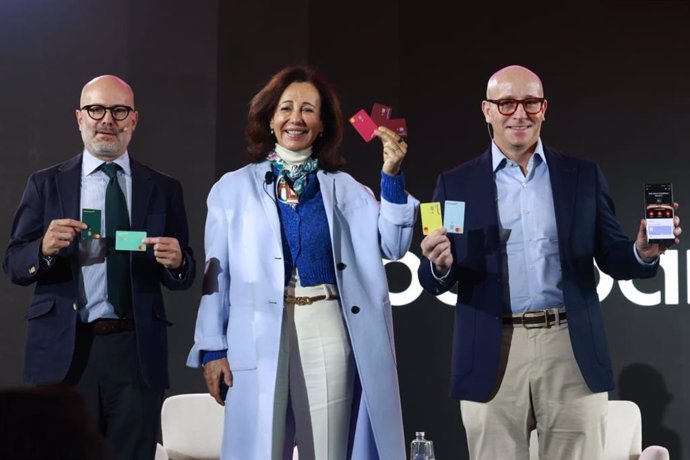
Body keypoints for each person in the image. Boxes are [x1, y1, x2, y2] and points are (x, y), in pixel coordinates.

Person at [418, 65, 681, 459]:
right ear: (487, 111)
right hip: (492, 348)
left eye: (530, 102)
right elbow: (433, 274)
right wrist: (439, 265)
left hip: (568, 344)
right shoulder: (454, 183)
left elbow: (612, 254)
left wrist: (641, 253)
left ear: (545, 108)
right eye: (506, 103)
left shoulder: (582, 176)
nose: (519, 113)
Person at [187, 64, 418, 460]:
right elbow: (215, 276)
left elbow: (394, 246)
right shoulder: (232, 188)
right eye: (286, 108)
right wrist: (212, 348)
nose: (296, 118)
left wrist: (392, 176)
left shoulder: (347, 189)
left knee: (327, 449)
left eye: (308, 109)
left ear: (323, 124)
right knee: (261, 447)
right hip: (256, 330)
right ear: (270, 119)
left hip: (326, 325)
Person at [3, 75, 196, 460]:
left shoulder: (163, 187)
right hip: (65, 349)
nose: (107, 119)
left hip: (135, 350)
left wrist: (178, 262)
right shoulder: (45, 185)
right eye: (96, 109)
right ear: (79, 118)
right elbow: (13, 263)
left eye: (119, 110)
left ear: (134, 120)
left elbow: (183, 271)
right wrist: (42, 248)